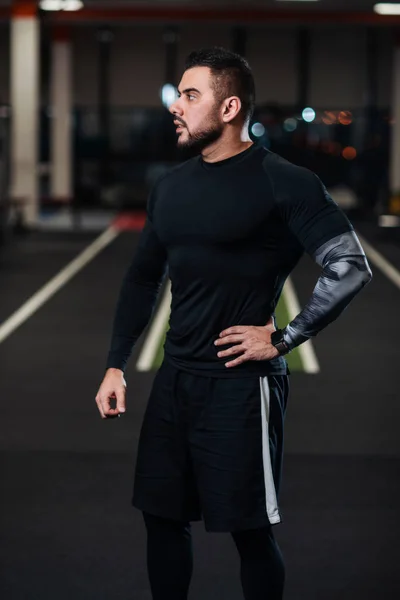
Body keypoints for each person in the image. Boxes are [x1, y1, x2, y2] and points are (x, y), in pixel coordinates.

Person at [95, 47, 372, 600]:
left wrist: (286, 337)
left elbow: (349, 266)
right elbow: (142, 278)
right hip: (176, 382)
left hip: (243, 388)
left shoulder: (284, 182)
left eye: (190, 95)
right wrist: (115, 366)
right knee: (161, 518)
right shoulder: (170, 187)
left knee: (250, 533)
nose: (177, 105)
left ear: (229, 108)